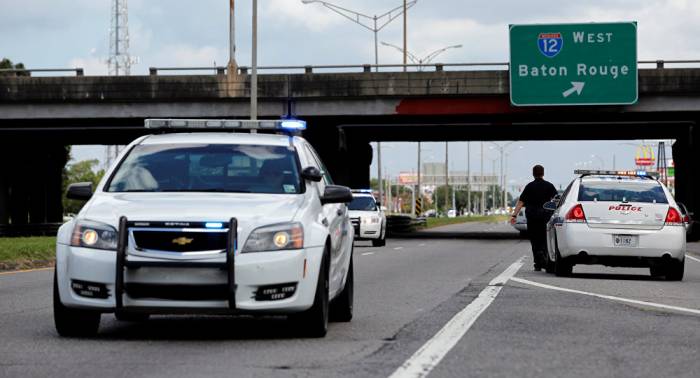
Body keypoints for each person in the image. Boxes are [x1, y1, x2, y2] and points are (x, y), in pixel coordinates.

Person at [510, 165, 558, 271]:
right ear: (543, 173)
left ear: (533, 173)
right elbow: (556, 201)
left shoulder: (529, 186)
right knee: (545, 239)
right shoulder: (549, 186)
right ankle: (545, 258)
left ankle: (537, 263)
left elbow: (521, 202)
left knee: (534, 239)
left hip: (532, 217)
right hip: (545, 217)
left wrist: (514, 215)